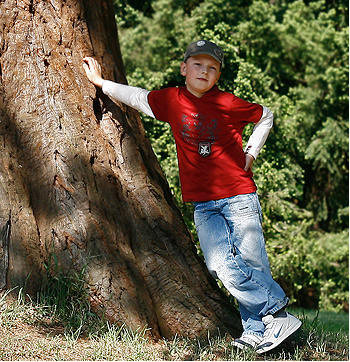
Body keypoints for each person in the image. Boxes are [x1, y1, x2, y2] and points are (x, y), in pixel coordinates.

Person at [82, 40, 301, 354]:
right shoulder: (171, 99)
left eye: (212, 67)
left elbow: (265, 115)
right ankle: (275, 312)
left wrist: (251, 152)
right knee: (218, 264)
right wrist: (102, 84)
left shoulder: (227, 103)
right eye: (198, 64)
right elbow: (138, 97)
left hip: (239, 196)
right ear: (184, 68)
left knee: (252, 263)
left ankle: (258, 329)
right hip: (203, 203)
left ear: (218, 75)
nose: (205, 71)